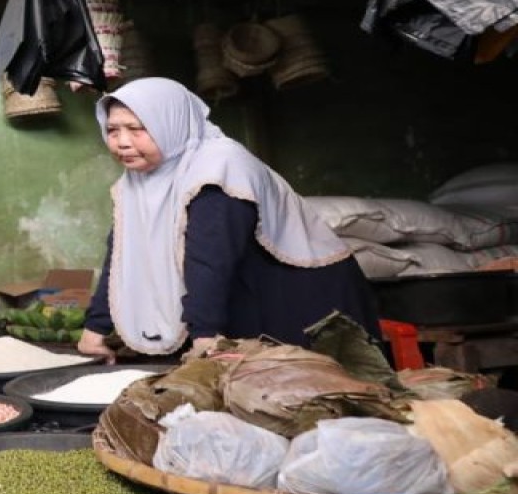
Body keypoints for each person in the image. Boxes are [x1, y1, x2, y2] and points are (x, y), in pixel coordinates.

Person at [76, 78, 379, 363]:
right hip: (243, 291)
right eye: (113, 130)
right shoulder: (139, 182)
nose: (122, 142)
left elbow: (210, 258)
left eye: (137, 128)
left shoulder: (219, 168)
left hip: (302, 299)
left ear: (170, 124)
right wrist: (96, 328)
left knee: (291, 396)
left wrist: (205, 335)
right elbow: (123, 255)